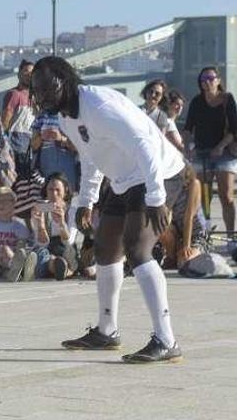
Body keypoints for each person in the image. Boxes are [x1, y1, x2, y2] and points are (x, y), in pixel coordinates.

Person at [30, 56, 187, 363]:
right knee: (105, 248)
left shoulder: (100, 106)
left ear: (66, 80)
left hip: (159, 174)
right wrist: (87, 200)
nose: (42, 96)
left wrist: (156, 197)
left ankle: (167, 340)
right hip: (123, 180)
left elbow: (144, 145)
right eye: (37, 90)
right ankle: (107, 331)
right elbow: (91, 157)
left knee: (137, 248)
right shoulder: (66, 117)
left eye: (47, 88)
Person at [183, 66, 237, 238]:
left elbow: (234, 129)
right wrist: (187, 147)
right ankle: (204, 232)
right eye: (203, 79)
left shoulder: (228, 99)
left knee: (226, 195)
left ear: (218, 80)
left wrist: (220, 147)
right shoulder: (197, 102)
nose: (207, 81)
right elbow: (188, 128)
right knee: (201, 197)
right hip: (201, 153)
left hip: (225, 152)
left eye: (211, 78)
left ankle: (230, 236)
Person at [0, 187, 35, 282]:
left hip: (10, 257)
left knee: (10, 254)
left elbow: (20, 249)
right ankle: (17, 269)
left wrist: (8, 257)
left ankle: (11, 272)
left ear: (13, 203)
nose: (1, 204)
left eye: (5, 200)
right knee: (4, 250)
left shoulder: (20, 227)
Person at [30, 173, 79, 281]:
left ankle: (63, 269)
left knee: (65, 253)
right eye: (50, 190)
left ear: (65, 190)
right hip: (48, 249)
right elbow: (41, 243)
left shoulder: (72, 211)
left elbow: (69, 241)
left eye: (58, 190)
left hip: (66, 249)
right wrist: (41, 226)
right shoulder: (40, 210)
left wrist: (61, 223)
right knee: (45, 255)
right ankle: (60, 268)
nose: (54, 194)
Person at [2, 59, 36, 165]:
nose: (29, 75)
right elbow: (5, 120)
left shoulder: (36, 96)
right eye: (26, 71)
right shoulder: (14, 94)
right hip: (16, 145)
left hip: (30, 145)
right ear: (19, 74)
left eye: (32, 73)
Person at [140, 79, 183, 153]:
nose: (153, 95)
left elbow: (159, 139)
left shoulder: (162, 116)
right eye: (151, 91)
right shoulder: (135, 110)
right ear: (146, 92)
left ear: (161, 97)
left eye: (157, 94)